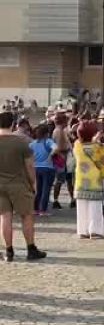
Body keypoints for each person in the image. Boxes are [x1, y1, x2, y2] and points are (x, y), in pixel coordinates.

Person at [0, 112, 46, 261]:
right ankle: (31, 249)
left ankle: (8, 251)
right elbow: (30, 166)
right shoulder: (21, 143)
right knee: (26, 216)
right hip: (19, 184)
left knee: (5, 217)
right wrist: (34, 183)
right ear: (13, 124)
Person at [73, 121, 104, 239]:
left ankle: (82, 231)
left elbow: (83, 142)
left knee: (81, 207)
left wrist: (93, 138)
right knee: (95, 207)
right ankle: (95, 231)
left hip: (81, 180)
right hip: (95, 180)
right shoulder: (98, 147)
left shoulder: (77, 146)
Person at [29, 125, 56, 216]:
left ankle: (34, 208)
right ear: (46, 134)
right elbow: (56, 148)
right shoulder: (48, 141)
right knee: (46, 189)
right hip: (48, 168)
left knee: (38, 189)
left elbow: (28, 154)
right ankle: (43, 210)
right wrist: (50, 156)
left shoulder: (33, 143)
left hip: (36, 167)